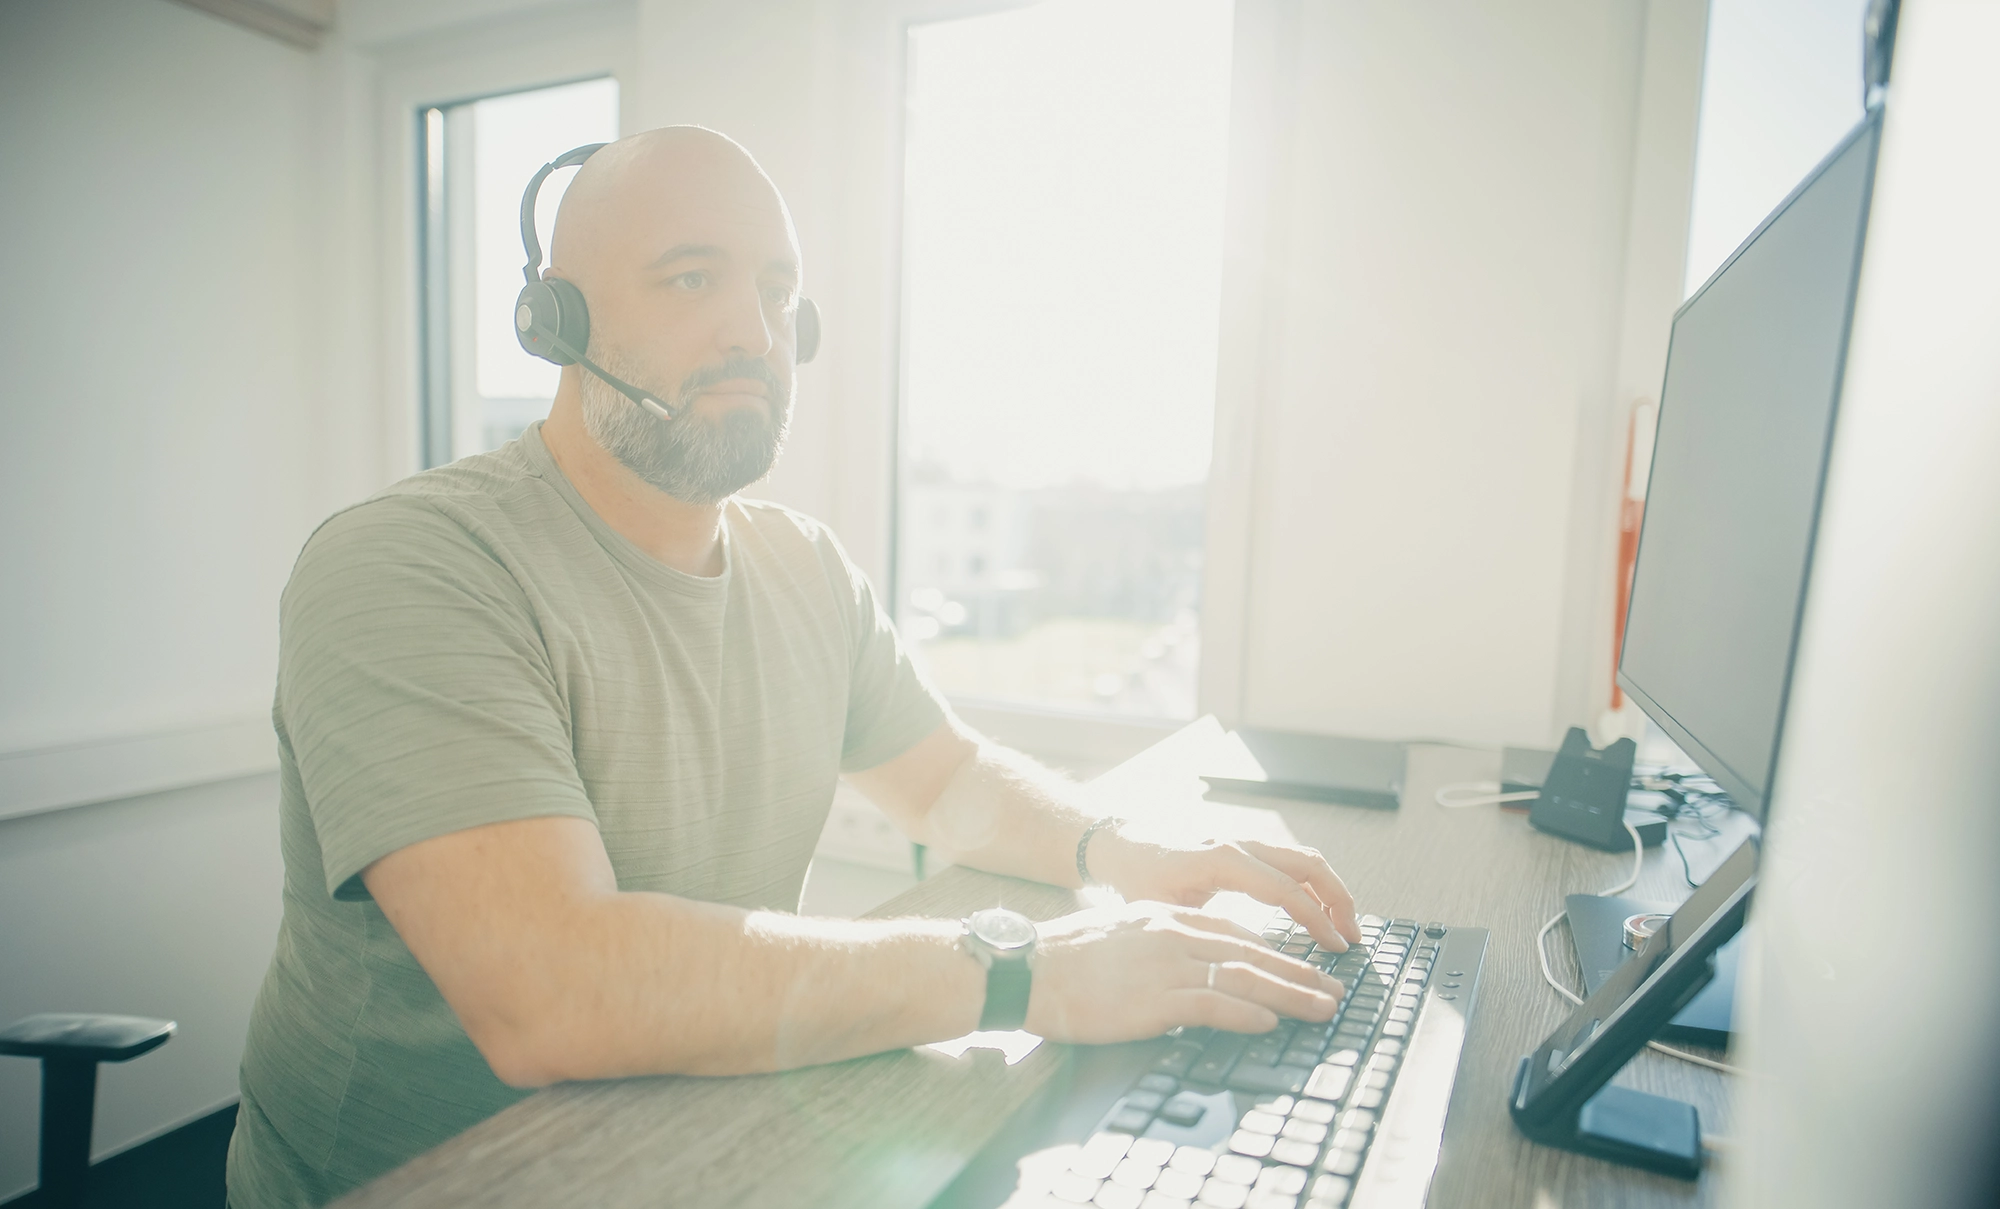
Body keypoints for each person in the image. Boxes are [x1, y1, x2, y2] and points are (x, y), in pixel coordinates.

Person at [225, 126, 1361, 1208]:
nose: (753, 331)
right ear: (556, 320)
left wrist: (1116, 847)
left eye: (776, 292)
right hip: (432, 1182)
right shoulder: (408, 566)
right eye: (688, 280)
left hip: (703, 1143)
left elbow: (947, 782)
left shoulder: (803, 569)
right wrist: (1028, 973)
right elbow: (550, 990)